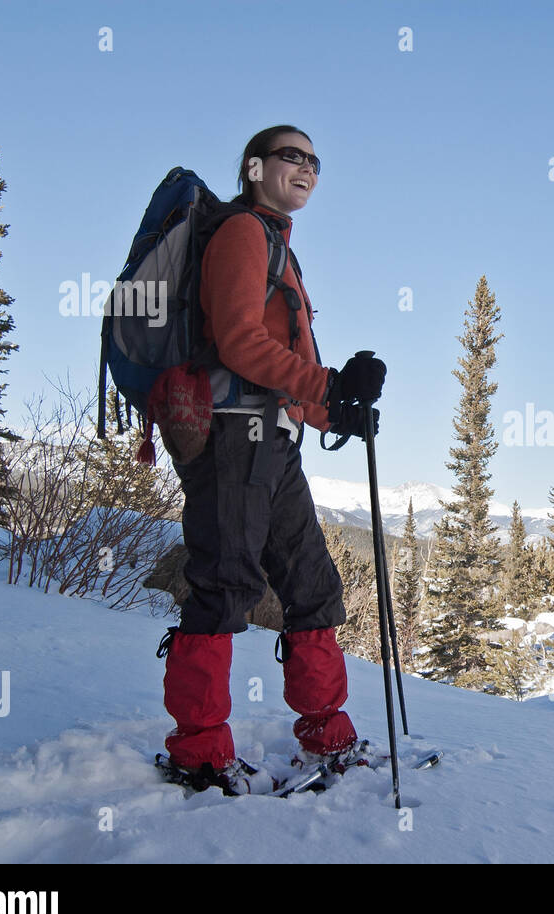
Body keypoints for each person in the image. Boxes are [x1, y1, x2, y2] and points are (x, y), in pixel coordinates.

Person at [157, 124, 386, 794]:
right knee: (224, 589)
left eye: (316, 160)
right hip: (231, 438)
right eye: (293, 156)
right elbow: (235, 341)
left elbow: (289, 367)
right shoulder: (241, 234)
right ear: (255, 167)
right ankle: (198, 750)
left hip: (273, 443)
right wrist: (324, 387)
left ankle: (327, 737)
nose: (308, 168)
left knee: (313, 589)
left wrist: (337, 407)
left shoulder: (279, 247)